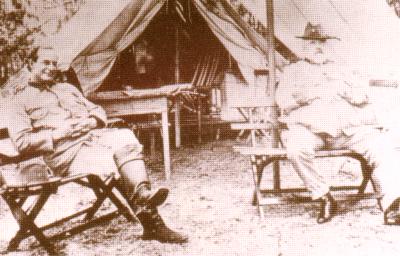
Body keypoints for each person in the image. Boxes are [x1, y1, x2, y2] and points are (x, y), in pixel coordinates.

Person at [5, 47, 188, 243]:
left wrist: (91, 122)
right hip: (66, 154)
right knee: (113, 160)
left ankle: (143, 194)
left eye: (54, 64)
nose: (51, 68)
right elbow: (22, 142)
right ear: (30, 64)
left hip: (93, 139)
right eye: (45, 63)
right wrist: (58, 134)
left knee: (125, 137)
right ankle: (153, 225)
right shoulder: (18, 101)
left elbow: (97, 110)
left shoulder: (67, 89)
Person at [276, 22, 400, 224]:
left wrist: (348, 91)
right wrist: (306, 97)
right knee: (296, 150)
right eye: (313, 42)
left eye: (322, 43)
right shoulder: (293, 71)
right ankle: (324, 196)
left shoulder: (341, 69)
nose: (318, 47)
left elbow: (364, 97)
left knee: (384, 147)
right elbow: (282, 102)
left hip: (346, 131)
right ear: (304, 47)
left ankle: (393, 204)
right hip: (310, 132)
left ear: (328, 46)